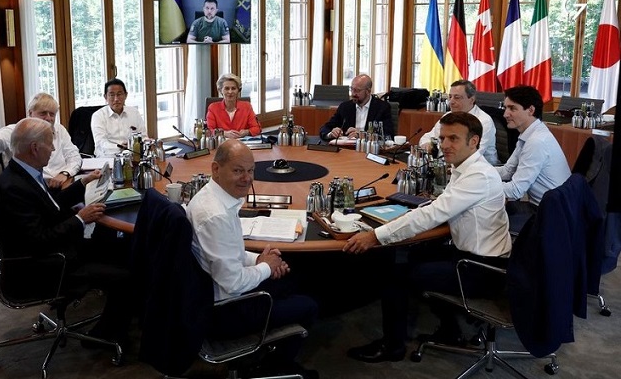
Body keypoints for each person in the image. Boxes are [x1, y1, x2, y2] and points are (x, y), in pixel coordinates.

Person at [343, 112, 511, 363]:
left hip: (481, 269)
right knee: (406, 255)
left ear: (474, 141)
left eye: (453, 138)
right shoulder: (465, 167)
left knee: (396, 275)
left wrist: (375, 236)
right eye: (442, 138)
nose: (444, 145)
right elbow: (442, 206)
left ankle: (392, 347)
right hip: (470, 254)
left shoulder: (478, 176)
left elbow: (433, 215)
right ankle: (450, 331)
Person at [0, 117, 132, 345]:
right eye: (50, 143)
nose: (53, 149)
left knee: (119, 245)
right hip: (46, 266)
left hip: (56, 251)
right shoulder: (14, 188)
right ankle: (105, 336)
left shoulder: (24, 173)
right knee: (125, 273)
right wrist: (80, 219)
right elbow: (39, 239)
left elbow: (50, 205)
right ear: (34, 148)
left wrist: (82, 183)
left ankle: (117, 320)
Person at [186, 139, 318, 378]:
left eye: (250, 171)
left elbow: (229, 253)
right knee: (308, 306)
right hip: (225, 311)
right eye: (238, 171)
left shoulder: (214, 197)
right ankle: (269, 366)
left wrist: (260, 260)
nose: (247, 178)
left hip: (214, 293)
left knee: (295, 277)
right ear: (216, 169)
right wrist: (266, 266)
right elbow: (233, 283)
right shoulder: (216, 216)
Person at [0, 92, 81, 189]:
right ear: (30, 113)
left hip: (62, 184)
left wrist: (65, 173)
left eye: (52, 114)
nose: (48, 118)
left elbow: (74, 157)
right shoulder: (16, 131)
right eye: (43, 113)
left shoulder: (59, 130)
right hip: (30, 190)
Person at [497, 85, 571, 221]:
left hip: (551, 215)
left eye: (512, 108)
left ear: (530, 110)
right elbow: (507, 171)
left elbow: (515, 191)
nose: (505, 114)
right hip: (546, 206)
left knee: (485, 216)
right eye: (505, 108)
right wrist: (478, 172)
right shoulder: (530, 133)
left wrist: (479, 183)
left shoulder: (536, 141)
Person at [418, 80, 499, 165]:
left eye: (457, 97)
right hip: (450, 165)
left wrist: (435, 151)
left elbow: (471, 155)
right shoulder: (448, 116)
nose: (451, 102)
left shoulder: (484, 121)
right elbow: (427, 137)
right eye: (450, 97)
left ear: (471, 100)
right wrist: (427, 145)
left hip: (479, 168)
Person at [318, 74, 393, 140]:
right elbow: (325, 128)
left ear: (368, 91)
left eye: (357, 90)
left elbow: (388, 135)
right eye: (352, 89)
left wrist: (362, 135)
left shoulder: (382, 107)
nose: (353, 94)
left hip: (369, 149)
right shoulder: (345, 107)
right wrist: (331, 133)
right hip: (347, 149)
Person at [91, 78, 147, 157]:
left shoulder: (134, 112)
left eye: (119, 94)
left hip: (133, 156)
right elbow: (101, 143)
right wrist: (120, 147)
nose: (116, 99)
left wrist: (146, 142)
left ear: (126, 95)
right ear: (105, 97)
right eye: (112, 95)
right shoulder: (98, 116)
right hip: (108, 157)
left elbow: (143, 137)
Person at [206, 73, 261, 138]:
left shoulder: (247, 106)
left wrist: (246, 132)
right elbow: (208, 131)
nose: (230, 92)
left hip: (241, 143)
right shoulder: (213, 108)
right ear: (220, 90)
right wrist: (224, 133)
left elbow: (257, 128)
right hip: (222, 143)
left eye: (233, 88)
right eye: (226, 88)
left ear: (238, 90)